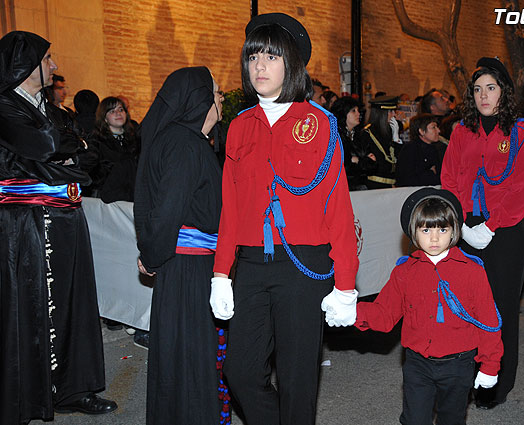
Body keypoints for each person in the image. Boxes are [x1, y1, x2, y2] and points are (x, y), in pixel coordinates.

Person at [209, 13, 359, 425]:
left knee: (297, 380)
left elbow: (339, 207)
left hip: (303, 265)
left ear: (291, 64)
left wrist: (346, 283)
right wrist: (221, 273)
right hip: (253, 265)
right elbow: (231, 206)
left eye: (271, 57)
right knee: (238, 370)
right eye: (253, 56)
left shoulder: (320, 123)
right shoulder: (239, 127)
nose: (259, 66)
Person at [0, 30, 117, 424]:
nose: (53, 66)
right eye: (46, 59)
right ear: (25, 64)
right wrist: (61, 153)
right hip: (26, 223)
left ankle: (72, 388)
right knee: (30, 307)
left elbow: (89, 153)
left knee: (73, 304)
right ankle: (29, 396)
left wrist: (64, 153)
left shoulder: (52, 109)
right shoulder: (4, 107)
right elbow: (46, 146)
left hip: (67, 217)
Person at [355, 188, 503, 425]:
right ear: (413, 232)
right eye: (426, 230)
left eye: (442, 229)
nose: (434, 238)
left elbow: (488, 321)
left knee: (452, 419)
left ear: (454, 231)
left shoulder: (472, 271)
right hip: (417, 364)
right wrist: (352, 311)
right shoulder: (404, 272)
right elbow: (384, 314)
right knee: (414, 419)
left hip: (459, 364)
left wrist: (490, 364)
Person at [441, 57, 524, 409]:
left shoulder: (521, 132)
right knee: (466, 309)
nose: (484, 95)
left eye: (491, 88)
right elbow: (449, 178)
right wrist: (463, 223)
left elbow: (522, 187)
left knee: (499, 311)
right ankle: (468, 376)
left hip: (506, 233)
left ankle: (496, 384)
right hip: (467, 230)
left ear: (504, 92)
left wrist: (491, 225)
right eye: (478, 89)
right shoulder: (461, 131)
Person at [134, 66, 227, 424]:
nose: (221, 99)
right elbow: (167, 211)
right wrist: (153, 255)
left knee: (180, 356)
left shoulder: (183, 141)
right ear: (199, 100)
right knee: (189, 359)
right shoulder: (185, 144)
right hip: (188, 267)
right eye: (216, 93)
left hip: (184, 265)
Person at [80, 96, 140, 202]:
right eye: (112, 111)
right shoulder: (97, 140)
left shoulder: (135, 138)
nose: (118, 113)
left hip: (132, 194)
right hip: (105, 196)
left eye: (121, 109)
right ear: (105, 118)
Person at [396, 113, 446, 187]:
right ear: (422, 131)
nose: (438, 130)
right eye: (433, 127)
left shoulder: (434, 148)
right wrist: (430, 173)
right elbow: (406, 179)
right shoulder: (410, 149)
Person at [360, 95, 400, 188]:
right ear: (382, 113)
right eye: (390, 111)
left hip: (391, 184)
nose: (394, 115)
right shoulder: (367, 133)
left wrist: (396, 139)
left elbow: (398, 160)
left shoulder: (390, 131)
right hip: (375, 185)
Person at [330, 95, 368, 190]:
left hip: (361, 187)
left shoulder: (360, 136)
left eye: (358, 110)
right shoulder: (335, 136)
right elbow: (340, 165)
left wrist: (356, 160)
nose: (358, 114)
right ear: (343, 113)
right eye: (353, 111)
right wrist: (359, 161)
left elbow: (372, 164)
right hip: (342, 187)